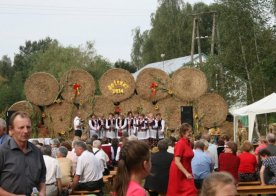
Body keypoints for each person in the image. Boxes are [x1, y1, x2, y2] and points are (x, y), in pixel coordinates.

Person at [0, 111, 46, 195]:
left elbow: (42, 179)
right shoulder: (2, 152)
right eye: (21, 127)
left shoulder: (37, 152)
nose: (25, 131)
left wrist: (42, 192)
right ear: (11, 130)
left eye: (28, 127)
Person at [167, 123, 197, 196]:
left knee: (191, 190)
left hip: (186, 169)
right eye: (189, 132)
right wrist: (186, 173)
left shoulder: (188, 143)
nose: (191, 133)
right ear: (183, 132)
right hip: (179, 171)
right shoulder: (180, 144)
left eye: (191, 132)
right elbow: (177, 161)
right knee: (182, 192)